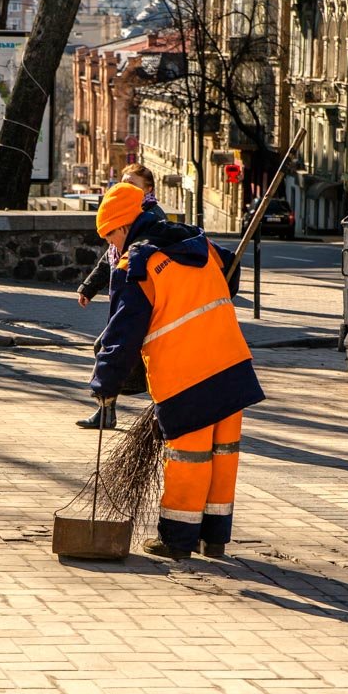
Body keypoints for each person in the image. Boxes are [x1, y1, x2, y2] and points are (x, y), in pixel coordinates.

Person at [88, 182, 264, 561]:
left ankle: (178, 540)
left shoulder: (135, 263)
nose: (111, 246)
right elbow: (230, 270)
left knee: (190, 458)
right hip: (231, 361)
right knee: (224, 454)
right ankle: (214, 538)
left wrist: (105, 381)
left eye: (110, 236)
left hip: (187, 375)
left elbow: (123, 331)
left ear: (123, 226)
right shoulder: (196, 241)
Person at [74, 163, 167, 430]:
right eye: (123, 182)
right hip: (128, 295)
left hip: (146, 299)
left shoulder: (150, 217)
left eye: (133, 183)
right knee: (112, 349)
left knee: (135, 355)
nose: (126, 187)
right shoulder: (124, 212)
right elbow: (110, 256)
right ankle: (107, 411)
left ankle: (156, 412)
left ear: (148, 189)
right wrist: (89, 287)